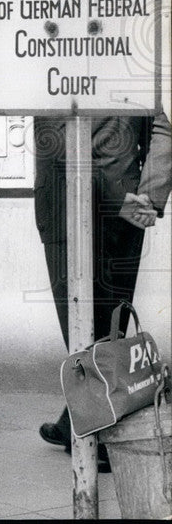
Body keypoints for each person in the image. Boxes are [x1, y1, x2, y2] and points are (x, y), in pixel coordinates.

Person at [34, 113, 171, 467]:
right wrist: (149, 194)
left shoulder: (134, 58)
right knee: (91, 320)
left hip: (100, 202)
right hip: (86, 198)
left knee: (99, 320)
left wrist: (150, 194)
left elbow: (164, 121)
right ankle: (77, 420)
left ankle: (101, 436)